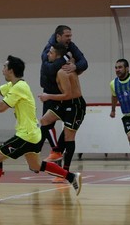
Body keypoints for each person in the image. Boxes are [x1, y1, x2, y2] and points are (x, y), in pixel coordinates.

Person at [0, 55, 82, 202]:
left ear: (11, 70)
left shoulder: (19, 87)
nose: (2, 70)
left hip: (26, 135)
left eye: (4, 67)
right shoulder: (15, 85)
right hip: (32, 133)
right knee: (36, 165)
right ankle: (71, 176)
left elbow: (0, 107)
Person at [38, 43, 86, 183]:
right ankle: (56, 150)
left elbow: (68, 94)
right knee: (45, 120)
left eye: (51, 53)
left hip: (75, 105)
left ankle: (64, 172)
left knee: (68, 136)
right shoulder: (66, 65)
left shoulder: (61, 72)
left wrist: (48, 96)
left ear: (58, 56)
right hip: (65, 104)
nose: (48, 55)